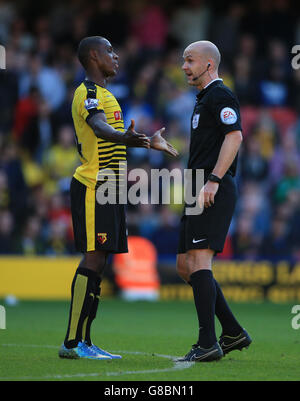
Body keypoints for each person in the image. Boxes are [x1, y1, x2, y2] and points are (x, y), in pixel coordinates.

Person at [59, 36, 178, 360]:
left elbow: (114, 138)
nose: (116, 56)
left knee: (101, 260)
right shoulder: (89, 93)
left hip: (110, 187)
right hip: (94, 184)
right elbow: (99, 128)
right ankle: (72, 342)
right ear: (94, 56)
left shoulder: (108, 94)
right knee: (94, 258)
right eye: (110, 51)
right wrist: (124, 135)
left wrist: (144, 142)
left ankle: (85, 340)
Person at [175, 40, 251, 362]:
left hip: (211, 187)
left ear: (208, 64)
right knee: (185, 266)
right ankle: (232, 331)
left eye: (189, 60)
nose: (183, 66)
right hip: (197, 185)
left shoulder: (220, 94)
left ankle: (207, 343)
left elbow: (235, 136)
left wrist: (214, 181)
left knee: (200, 261)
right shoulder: (203, 99)